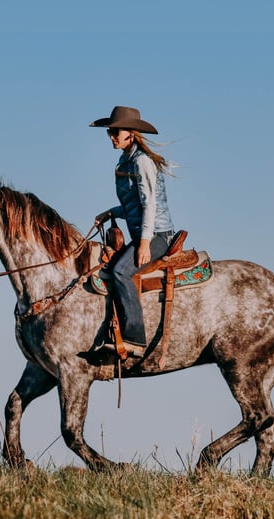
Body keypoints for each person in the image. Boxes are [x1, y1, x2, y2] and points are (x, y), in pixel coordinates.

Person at [90, 106, 175, 356]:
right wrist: (111, 212)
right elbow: (133, 205)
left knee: (120, 272)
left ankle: (135, 338)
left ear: (132, 134)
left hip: (158, 235)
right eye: (110, 132)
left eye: (116, 131)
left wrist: (145, 242)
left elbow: (150, 204)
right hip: (143, 233)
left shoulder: (142, 161)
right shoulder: (125, 160)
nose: (112, 136)